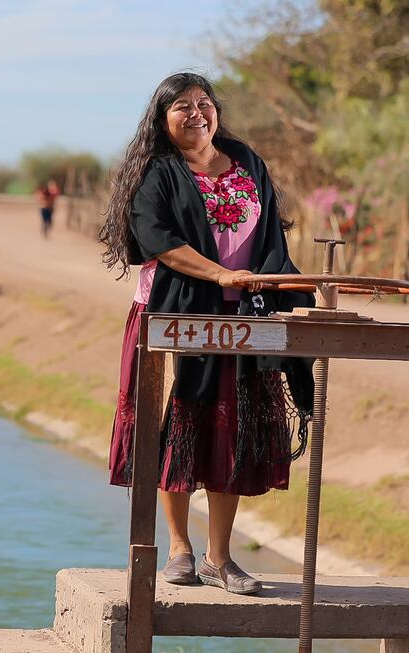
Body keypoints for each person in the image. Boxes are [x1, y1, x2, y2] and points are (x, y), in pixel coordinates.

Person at [98, 73, 314, 595]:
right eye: (182, 108)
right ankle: (178, 548)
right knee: (182, 423)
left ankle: (220, 557)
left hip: (244, 316)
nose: (196, 114)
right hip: (174, 313)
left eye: (204, 104)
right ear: (163, 120)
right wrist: (218, 274)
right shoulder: (158, 173)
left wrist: (276, 285)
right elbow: (159, 241)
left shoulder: (246, 162)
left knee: (230, 430)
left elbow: (269, 236)